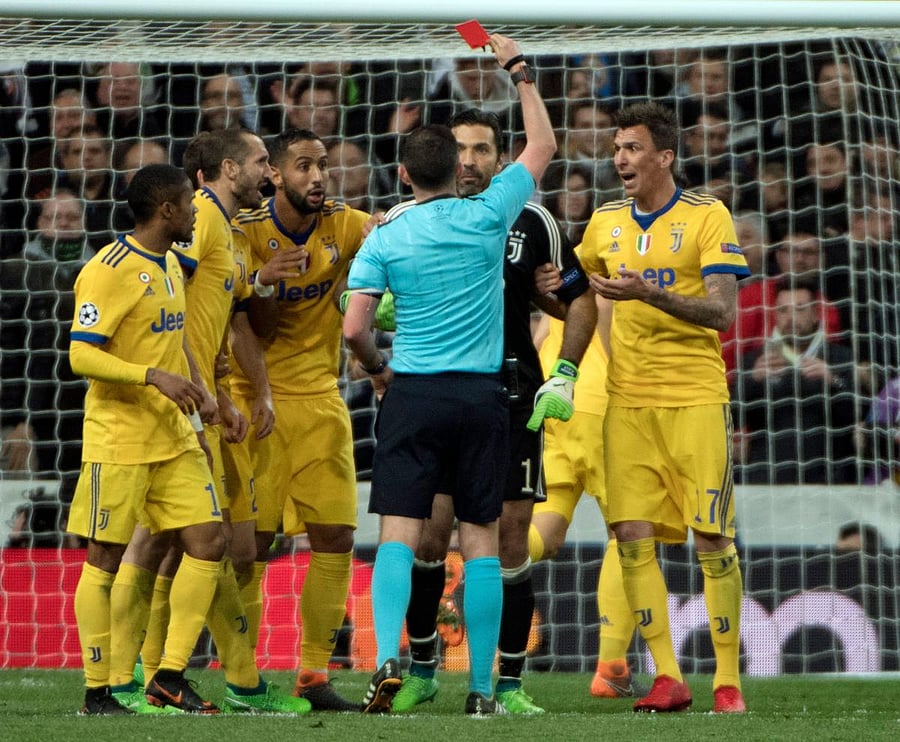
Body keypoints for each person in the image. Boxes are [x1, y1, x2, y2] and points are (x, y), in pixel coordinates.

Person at [342, 33, 559, 715]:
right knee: (483, 542)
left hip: (412, 393)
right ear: (457, 171)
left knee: (399, 537)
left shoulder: (383, 234)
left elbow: (354, 329)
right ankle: (483, 690)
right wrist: (519, 74)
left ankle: (386, 659)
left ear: (405, 176)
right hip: (481, 394)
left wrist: (379, 368)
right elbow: (544, 148)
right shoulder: (492, 212)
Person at [377, 107, 595, 716]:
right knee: (430, 533)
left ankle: (508, 685)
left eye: (482, 150)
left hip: (514, 397)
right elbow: (372, 288)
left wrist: (567, 373)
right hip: (444, 396)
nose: (470, 160)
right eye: (461, 149)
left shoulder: (532, 221)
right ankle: (421, 668)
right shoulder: (405, 219)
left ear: (501, 159)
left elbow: (579, 302)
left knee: (507, 540)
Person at [116, 129, 311, 715]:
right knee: (169, 542)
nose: (269, 174)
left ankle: (160, 676)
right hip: (178, 402)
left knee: (203, 545)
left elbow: (215, 305)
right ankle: (143, 676)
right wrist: (201, 389)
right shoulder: (198, 218)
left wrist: (257, 281)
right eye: (260, 163)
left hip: (204, 396)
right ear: (228, 168)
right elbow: (169, 302)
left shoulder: (224, 230)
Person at [577, 101, 750, 713]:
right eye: (616, 147)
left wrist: (649, 294)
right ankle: (668, 677)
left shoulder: (708, 215)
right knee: (629, 533)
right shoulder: (603, 223)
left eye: (631, 148)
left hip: (694, 397)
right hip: (626, 402)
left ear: (664, 156)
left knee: (710, 537)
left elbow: (723, 312)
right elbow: (579, 299)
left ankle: (727, 682)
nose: (619, 158)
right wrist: (547, 299)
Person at [66, 164, 225, 715]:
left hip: (173, 435)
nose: (195, 213)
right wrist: (150, 376)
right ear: (167, 211)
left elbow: (174, 343)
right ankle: (96, 689)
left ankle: (170, 675)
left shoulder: (172, 266)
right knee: (105, 556)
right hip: (120, 439)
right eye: (189, 204)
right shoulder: (107, 270)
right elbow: (80, 353)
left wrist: (200, 403)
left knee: (209, 541)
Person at [229, 127, 370, 712]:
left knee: (336, 536)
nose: (317, 177)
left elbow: (400, 228)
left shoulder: (346, 224)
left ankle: (314, 672)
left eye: (323, 165)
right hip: (256, 403)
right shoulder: (244, 234)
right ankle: (241, 675)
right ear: (276, 176)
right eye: (304, 166)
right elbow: (245, 327)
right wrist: (264, 283)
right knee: (252, 544)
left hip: (321, 401)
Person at [528, 296, 642, 700]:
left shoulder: (564, 259)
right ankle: (612, 668)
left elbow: (539, 336)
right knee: (630, 535)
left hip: (553, 400)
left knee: (547, 529)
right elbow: (608, 320)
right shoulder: (612, 251)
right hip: (600, 404)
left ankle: (479, 555)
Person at [732, 275, 861, 485]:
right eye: (783, 310)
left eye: (800, 309)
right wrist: (752, 381)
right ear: (774, 314)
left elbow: (857, 416)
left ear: (815, 314)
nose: (791, 317)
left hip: (829, 480)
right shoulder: (755, 361)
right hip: (767, 480)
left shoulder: (840, 358)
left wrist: (833, 381)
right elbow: (731, 418)